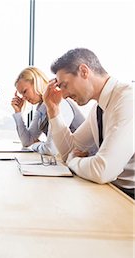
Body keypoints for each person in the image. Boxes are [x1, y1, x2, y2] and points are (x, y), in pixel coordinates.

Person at [43, 48, 134, 198]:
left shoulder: (128, 101)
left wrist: (74, 161)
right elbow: (68, 151)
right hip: (114, 193)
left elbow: (103, 170)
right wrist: (53, 110)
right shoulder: (98, 109)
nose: (63, 95)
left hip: (129, 199)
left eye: (64, 85)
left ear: (84, 71)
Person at [11, 66, 85, 155]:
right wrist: (18, 113)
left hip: (85, 159)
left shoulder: (60, 103)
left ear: (36, 84)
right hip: (70, 159)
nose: (23, 97)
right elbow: (27, 141)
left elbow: (51, 150)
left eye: (25, 91)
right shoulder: (41, 108)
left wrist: (36, 145)